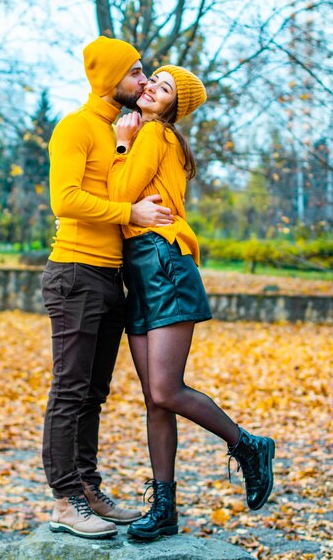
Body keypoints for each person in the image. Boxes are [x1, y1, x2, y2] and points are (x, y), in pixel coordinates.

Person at [108, 65, 275, 541]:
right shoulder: (151, 134)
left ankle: (248, 446)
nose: (152, 90)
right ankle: (165, 509)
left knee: (165, 390)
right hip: (139, 268)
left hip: (163, 264)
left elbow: (119, 195)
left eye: (163, 90)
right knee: (153, 399)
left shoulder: (154, 136)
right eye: (152, 81)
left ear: (172, 107)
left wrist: (122, 143)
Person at [41, 36, 175, 540]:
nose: (144, 81)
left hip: (108, 276)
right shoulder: (75, 127)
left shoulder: (121, 130)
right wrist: (129, 212)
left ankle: (89, 489)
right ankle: (65, 499)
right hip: (74, 272)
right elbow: (65, 199)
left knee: (93, 393)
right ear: (110, 77)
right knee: (70, 390)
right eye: (137, 72)